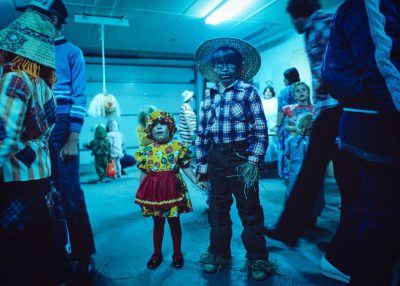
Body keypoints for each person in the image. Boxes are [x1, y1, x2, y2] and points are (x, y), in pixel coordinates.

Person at [16, 0, 96, 282]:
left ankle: (83, 255)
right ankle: (56, 254)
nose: (43, 22)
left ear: (58, 20)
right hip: (37, 125)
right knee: (46, 195)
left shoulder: (72, 52)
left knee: (70, 193)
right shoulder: (32, 52)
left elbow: (79, 97)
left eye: (48, 17)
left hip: (63, 126)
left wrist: (73, 136)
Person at [322, 0, 400, 285]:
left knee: (370, 203)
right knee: (385, 213)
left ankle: (339, 258)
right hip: (376, 120)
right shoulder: (367, 5)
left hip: (363, 117)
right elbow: (383, 65)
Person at [265, 0, 352, 254]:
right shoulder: (324, 23)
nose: (293, 25)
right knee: (347, 180)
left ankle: (288, 229)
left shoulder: (321, 24)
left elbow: (330, 66)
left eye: (294, 20)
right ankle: (343, 243)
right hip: (339, 108)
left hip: (334, 107)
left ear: (301, 15)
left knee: (310, 171)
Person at [194, 38, 274, 281]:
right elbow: (202, 132)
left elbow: (260, 129)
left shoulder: (248, 91)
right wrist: (202, 164)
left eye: (230, 64)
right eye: (219, 65)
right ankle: (218, 253)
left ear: (239, 68)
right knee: (217, 207)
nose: (224, 69)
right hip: (216, 156)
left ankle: (257, 257)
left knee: (249, 208)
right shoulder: (209, 96)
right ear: (214, 68)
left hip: (241, 157)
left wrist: (253, 160)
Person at [0, 9, 61, 285]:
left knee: (15, 253)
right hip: (41, 178)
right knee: (42, 244)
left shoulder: (14, 80)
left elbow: (4, 133)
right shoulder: (44, 86)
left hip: (15, 180)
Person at [134, 110, 207, 269]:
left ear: (171, 128)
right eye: (154, 126)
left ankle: (177, 253)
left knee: (174, 222)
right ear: (149, 130)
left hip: (173, 191)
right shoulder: (146, 151)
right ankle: (156, 254)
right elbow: (144, 173)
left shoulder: (178, 147)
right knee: (158, 223)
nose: (158, 128)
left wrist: (196, 181)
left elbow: (186, 167)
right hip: (154, 193)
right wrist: (141, 194)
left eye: (163, 124)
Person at [276, 68, 300, 181]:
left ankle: (287, 175)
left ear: (288, 78)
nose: (283, 79)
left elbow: (281, 111)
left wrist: (277, 126)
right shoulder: (301, 88)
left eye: (284, 77)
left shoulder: (284, 92)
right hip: (300, 124)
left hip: (287, 125)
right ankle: (297, 174)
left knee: (285, 150)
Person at [261, 86, 278, 163]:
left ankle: (275, 160)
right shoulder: (261, 101)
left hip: (272, 125)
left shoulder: (275, 101)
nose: (268, 93)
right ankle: (265, 161)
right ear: (264, 92)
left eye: (269, 91)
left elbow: (275, 113)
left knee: (273, 143)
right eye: (266, 91)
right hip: (264, 125)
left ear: (272, 93)